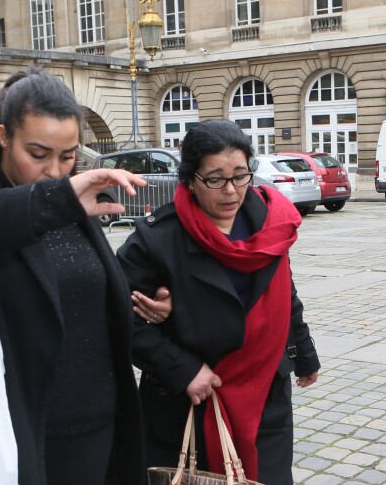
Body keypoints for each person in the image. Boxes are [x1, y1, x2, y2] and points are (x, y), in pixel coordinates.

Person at [0, 68, 152, 485]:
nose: (55, 170)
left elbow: (79, 296)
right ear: (4, 136)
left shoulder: (69, 202)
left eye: (68, 155)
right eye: (38, 154)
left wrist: (147, 305)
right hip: (10, 434)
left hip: (97, 426)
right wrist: (50, 201)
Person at [117, 120, 320, 485]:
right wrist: (183, 369)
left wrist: (303, 351)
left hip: (264, 391)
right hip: (188, 401)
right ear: (190, 179)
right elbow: (116, 316)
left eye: (240, 175)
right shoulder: (157, 239)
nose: (231, 191)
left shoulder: (271, 223)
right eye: (215, 179)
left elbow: (283, 293)